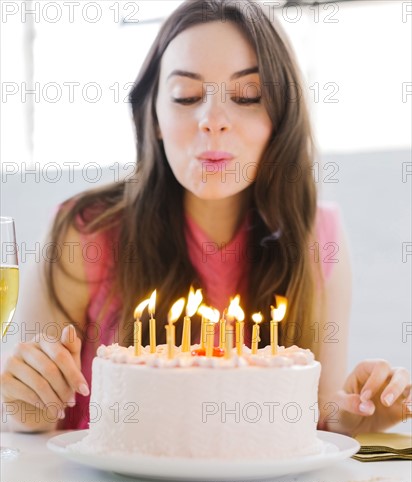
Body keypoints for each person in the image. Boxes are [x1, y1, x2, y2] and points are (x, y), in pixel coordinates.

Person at [1, 0, 410, 435]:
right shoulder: (84, 231)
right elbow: (28, 418)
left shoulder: (317, 236)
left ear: (279, 115)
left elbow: (322, 418)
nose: (212, 121)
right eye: (187, 97)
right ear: (153, 114)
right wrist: (25, 404)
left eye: (247, 96)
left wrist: (365, 412)